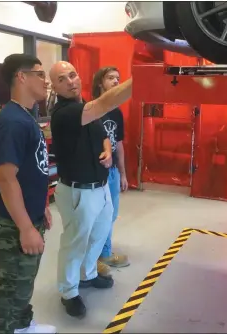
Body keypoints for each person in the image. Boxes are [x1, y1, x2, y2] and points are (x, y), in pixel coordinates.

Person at [49, 61, 132, 318]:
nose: (70, 81)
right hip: (78, 192)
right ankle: (69, 291)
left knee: (99, 234)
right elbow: (103, 105)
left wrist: (107, 151)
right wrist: (140, 79)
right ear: (55, 87)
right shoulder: (64, 113)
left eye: (72, 75)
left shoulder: (83, 107)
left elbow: (104, 134)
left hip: (101, 187)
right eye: (62, 79)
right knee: (75, 242)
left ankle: (88, 274)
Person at [0, 54, 56, 334]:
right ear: (21, 77)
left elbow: (31, 169)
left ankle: (22, 326)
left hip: (29, 214)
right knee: (11, 284)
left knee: (23, 281)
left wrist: (42, 206)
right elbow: (6, 178)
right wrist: (26, 228)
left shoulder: (26, 116)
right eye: (40, 74)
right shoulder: (12, 121)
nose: (46, 80)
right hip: (11, 223)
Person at [91, 67, 130, 276]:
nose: (116, 81)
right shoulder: (90, 110)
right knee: (97, 215)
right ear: (100, 83)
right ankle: (95, 256)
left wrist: (122, 173)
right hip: (95, 173)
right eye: (110, 78)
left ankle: (104, 252)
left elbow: (119, 144)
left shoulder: (116, 111)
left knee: (111, 214)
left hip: (112, 171)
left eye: (118, 78)